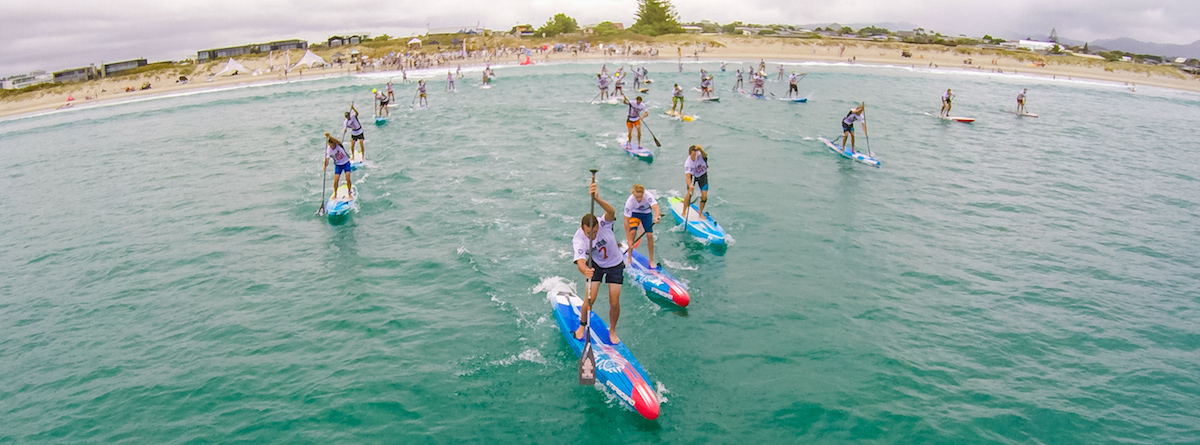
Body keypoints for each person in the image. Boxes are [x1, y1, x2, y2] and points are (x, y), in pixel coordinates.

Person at [572, 181, 624, 343]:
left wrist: (597, 199)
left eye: (594, 232)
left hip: (615, 264)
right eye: (589, 233)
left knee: (614, 302)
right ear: (582, 229)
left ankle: (613, 330)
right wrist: (585, 270)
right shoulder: (579, 238)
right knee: (590, 299)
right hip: (596, 265)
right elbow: (580, 261)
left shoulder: (604, 223)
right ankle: (582, 325)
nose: (592, 236)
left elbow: (611, 211)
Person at [624, 184, 662, 267]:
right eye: (637, 197)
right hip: (635, 214)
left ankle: (651, 260)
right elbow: (626, 221)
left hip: (646, 214)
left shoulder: (648, 195)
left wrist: (657, 216)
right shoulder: (629, 202)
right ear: (633, 195)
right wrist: (629, 239)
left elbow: (656, 207)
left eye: (640, 197)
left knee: (649, 235)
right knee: (632, 233)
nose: (639, 199)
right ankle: (629, 257)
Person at [682, 145, 709, 219]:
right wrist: (690, 185)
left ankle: (700, 213)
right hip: (693, 176)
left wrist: (700, 148)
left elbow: (704, 154)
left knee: (704, 196)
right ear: (690, 154)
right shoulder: (688, 163)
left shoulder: (701, 156)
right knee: (689, 194)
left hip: (703, 175)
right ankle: (684, 211)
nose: (695, 157)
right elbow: (687, 176)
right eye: (693, 155)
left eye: (695, 155)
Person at [323, 132, 353, 198]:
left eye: (333, 145)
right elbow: (327, 158)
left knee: (347, 178)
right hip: (338, 165)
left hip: (346, 163)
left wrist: (329, 136)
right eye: (331, 146)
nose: (332, 147)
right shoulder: (328, 149)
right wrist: (325, 165)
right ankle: (335, 194)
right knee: (336, 180)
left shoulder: (338, 145)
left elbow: (336, 141)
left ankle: (349, 192)